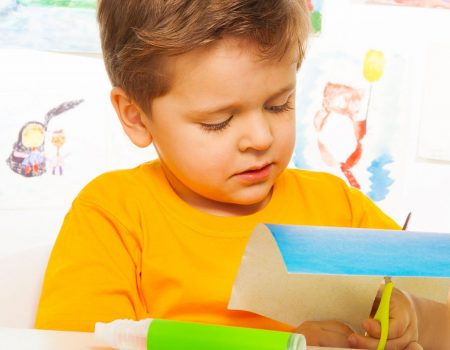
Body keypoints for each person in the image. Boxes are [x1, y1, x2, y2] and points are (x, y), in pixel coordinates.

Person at [34, 0, 449, 348]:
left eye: (278, 104)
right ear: (136, 116)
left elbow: (439, 311)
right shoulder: (114, 215)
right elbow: (76, 342)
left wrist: (414, 318)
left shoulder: (337, 209)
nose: (260, 137)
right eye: (218, 121)